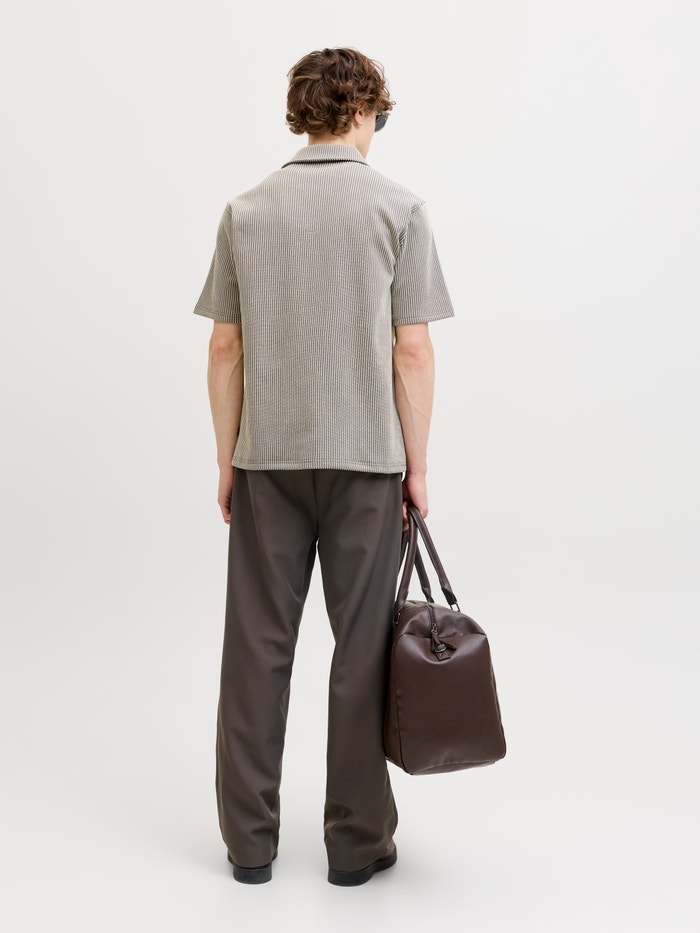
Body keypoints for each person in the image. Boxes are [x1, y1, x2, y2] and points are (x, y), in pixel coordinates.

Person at [193, 46, 454, 886]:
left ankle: (248, 845)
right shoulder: (400, 208)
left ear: (303, 113)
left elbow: (225, 347)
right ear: (363, 110)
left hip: (266, 459)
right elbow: (412, 351)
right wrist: (417, 466)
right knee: (364, 653)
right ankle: (357, 843)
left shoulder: (246, 211)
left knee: (256, 652)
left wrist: (228, 456)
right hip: (367, 463)